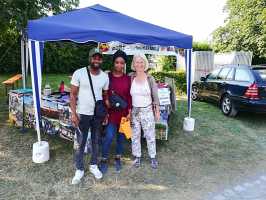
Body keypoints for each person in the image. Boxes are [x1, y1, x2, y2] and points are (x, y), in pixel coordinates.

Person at [70, 48, 109, 185]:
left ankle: (93, 165)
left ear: (101, 60)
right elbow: (73, 95)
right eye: (94, 57)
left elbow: (105, 96)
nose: (96, 60)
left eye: (99, 58)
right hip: (83, 114)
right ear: (90, 59)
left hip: (97, 115)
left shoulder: (105, 76)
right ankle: (79, 169)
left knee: (96, 140)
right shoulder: (79, 73)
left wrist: (106, 113)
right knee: (80, 142)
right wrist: (73, 113)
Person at [99, 50, 132, 174]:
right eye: (117, 62)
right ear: (113, 63)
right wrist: (105, 112)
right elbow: (104, 94)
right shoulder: (107, 77)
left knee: (121, 137)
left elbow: (129, 96)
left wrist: (129, 111)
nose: (119, 65)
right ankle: (104, 159)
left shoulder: (128, 79)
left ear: (124, 64)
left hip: (124, 114)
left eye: (122, 63)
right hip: (111, 114)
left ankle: (118, 157)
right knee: (109, 136)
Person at [129, 54, 160, 169]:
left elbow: (155, 96)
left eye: (142, 62)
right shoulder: (130, 77)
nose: (139, 64)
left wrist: (156, 110)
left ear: (145, 63)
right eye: (137, 62)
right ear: (134, 64)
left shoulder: (150, 78)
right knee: (135, 135)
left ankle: (152, 157)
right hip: (134, 111)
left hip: (147, 110)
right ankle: (137, 157)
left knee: (150, 135)